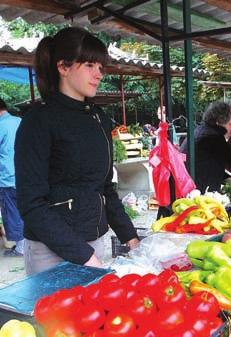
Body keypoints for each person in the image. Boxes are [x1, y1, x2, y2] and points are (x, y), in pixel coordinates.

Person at [15, 27, 140, 275]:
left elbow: (105, 188)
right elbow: (32, 204)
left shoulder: (98, 119)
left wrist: (131, 238)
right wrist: (84, 256)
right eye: (90, 65)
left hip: (95, 242)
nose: (98, 74)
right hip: (50, 251)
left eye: (101, 68)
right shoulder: (39, 121)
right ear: (63, 67)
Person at [180, 100, 231, 192]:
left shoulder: (200, 131)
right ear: (218, 122)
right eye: (230, 124)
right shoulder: (213, 137)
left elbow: (210, 165)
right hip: (197, 193)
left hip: (187, 185)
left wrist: (226, 177)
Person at [0, 98, 25, 257]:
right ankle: (26, 244)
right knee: (24, 211)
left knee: (13, 213)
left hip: (7, 177)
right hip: (25, 175)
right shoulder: (20, 121)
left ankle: (21, 248)